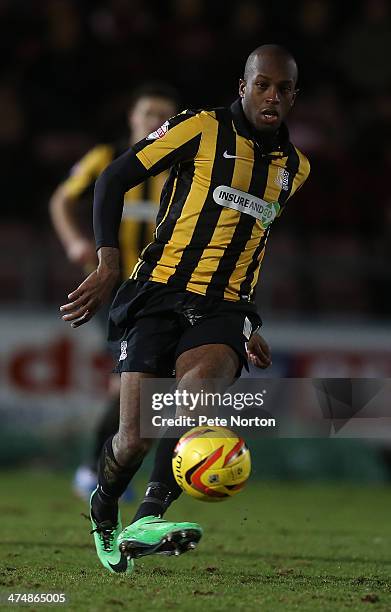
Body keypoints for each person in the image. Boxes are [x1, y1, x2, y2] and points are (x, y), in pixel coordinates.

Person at [60, 44, 310, 574]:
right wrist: (107, 262)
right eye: (262, 84)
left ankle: (149, 516)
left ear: (294, 96)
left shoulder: (294, 168)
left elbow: (252, 244)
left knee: (194, 399)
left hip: (222, 308)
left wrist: (248, 319)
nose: (272, 96)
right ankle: (104, 506)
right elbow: (113, 179)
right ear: (243, 87)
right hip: (156, 292)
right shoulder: (199, 128)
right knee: (132, 440)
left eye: (283, 89)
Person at [50, 83, 179, 499]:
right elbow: (61, 200)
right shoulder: (106, 159)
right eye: (148, 113)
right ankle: (95, 471)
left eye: (164, 115)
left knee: (147, 386)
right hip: (113, 289)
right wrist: (74, 242)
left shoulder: (184, 167)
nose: (154, 122)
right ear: (132, 118)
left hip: (162, 290)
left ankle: (104, 470)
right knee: (127, 384)